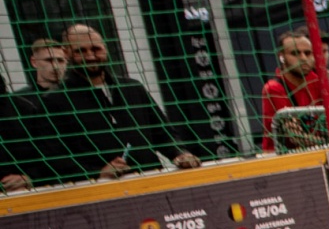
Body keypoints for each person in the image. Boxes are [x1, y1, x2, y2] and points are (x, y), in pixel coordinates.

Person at [48, 24, 202, 184]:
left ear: (105, 48)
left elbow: (163, 133)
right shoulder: (54, 100)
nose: (91, 56)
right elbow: (55, 157)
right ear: (66, 53)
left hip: (152, 182)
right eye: (81, 51)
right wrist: (97, 173)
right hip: (99, 190)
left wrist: (180, 154)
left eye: (96, 49)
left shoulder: (132, 88)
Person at [1, 36, 68, 191]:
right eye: (49, 60)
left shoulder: (78, 97)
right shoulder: (20, 104)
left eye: (60, 60)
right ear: (34, 62)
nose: (56, 66)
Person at [259, 29, 329, 151]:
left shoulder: (315, 80)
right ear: (281, 56)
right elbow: (296, 137)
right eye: (295, 53)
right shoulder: (274, 88)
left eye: (307, 53)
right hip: (283, 156)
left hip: (319, 150)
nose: (303, 58)